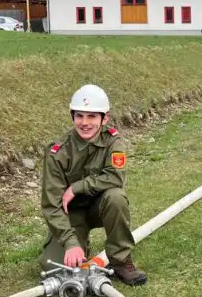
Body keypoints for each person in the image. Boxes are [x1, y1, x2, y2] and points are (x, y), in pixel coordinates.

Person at [40, 84, 147, 285]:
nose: (85, 123)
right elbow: (51, 204)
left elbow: (116, 178)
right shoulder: (57, 151)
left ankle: (121, 261)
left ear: (104, 118)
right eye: (79, 116)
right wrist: (70, 243)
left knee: (116, 197)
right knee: (55, 270)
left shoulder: (113, 142)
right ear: (72, 117)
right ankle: (78, 242)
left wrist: (76, 187)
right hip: (70, 213)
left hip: (101, 207)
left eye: (92, 117)